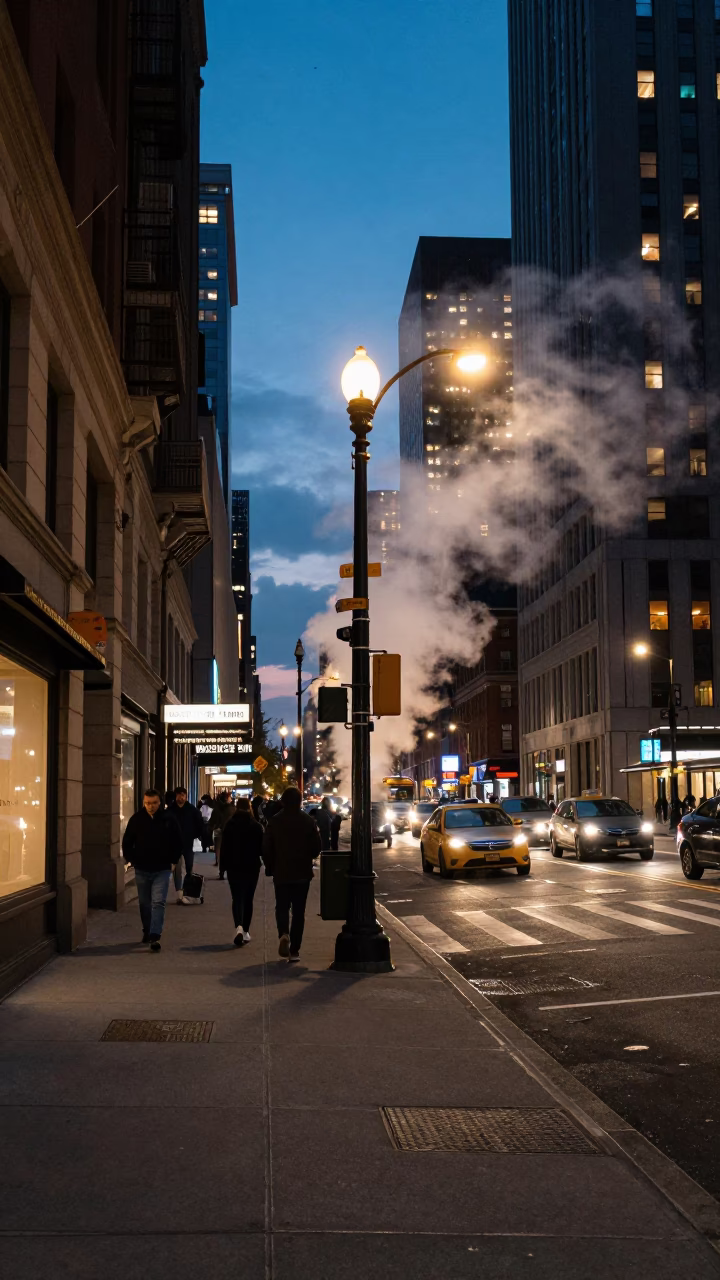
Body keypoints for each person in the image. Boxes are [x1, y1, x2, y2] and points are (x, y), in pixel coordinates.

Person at [263, 786, 321, 961]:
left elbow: (266, 847)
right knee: (298, 912)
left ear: (283, 801)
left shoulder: (274, 821)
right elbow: (317, 848)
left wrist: (270, 865)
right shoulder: (308, 821)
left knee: (281, 907)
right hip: (302, 873)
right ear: (300, 801)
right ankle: (295, 950)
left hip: (281, 871)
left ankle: (283, 934)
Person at [122, 788, 181, 951]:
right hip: (141, 868)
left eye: (154, 803)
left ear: (160, 802)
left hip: (162, 868)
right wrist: (132, 859)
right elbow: (127, 842)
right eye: (147, 803)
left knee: (158, 902)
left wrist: (173, 861)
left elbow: (177, 840)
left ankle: (155, 935)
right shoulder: (136, 819)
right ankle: (147, 930)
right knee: (144, 903)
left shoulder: (168, 819)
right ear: (143, 803)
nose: (151, 806)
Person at [220, 797, 264, 945]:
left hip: (234, 866)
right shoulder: (256, 826)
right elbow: (262, 849)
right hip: (251, 866)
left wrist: (222, 867)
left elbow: (224, 848)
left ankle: (238, 926)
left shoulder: (230, 825)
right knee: (248, 899)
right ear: (249, 807)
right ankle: (245, 931)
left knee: (237, 897)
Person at [168, 786, 206, 903]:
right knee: (177, 869)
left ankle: (188, 891)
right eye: (179, 795)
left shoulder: (192, 810)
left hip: (187, 842)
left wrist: (197, 835)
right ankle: (180, 893)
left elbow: (200, 824)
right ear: (176, 796)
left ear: (186, 796)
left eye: (183, 795)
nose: (181, 797)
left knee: (189, 866)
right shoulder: (170, 810)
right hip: (174, 844)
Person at [211, 790, 236, 878]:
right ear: (227, 799)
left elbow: (212, 820)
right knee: (230, 851)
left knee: (219, 850)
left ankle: (221, 870)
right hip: (230, 832)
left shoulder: (217, 808)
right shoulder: (232, 809)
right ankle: (230, 870)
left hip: (218, 831)